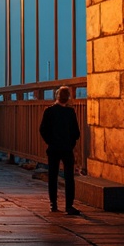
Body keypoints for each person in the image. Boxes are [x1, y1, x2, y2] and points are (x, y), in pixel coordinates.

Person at [39, 85, 80, 214]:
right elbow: (76, 133)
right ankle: (69, 206)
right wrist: (71, 143)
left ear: (57, 96)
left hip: (53, 148)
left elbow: (43, 129)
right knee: (69, 177)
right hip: (67, 148)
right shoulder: (70, 112)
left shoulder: (49, 111)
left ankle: (53, 204)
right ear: (68, 98)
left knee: (53, 176)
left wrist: (50, 141)